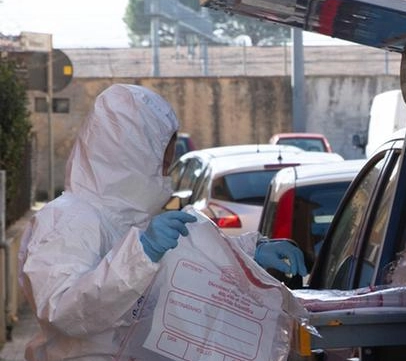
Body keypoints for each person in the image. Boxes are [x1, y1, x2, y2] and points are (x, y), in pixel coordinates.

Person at [17, 84, 305, 361]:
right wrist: (140, 256)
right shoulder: (67, 218)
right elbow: (63, 310)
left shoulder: (135, 215)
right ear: (132, 150)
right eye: (163, 151)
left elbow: (182, 265)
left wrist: (246, 255)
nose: (169, 161)